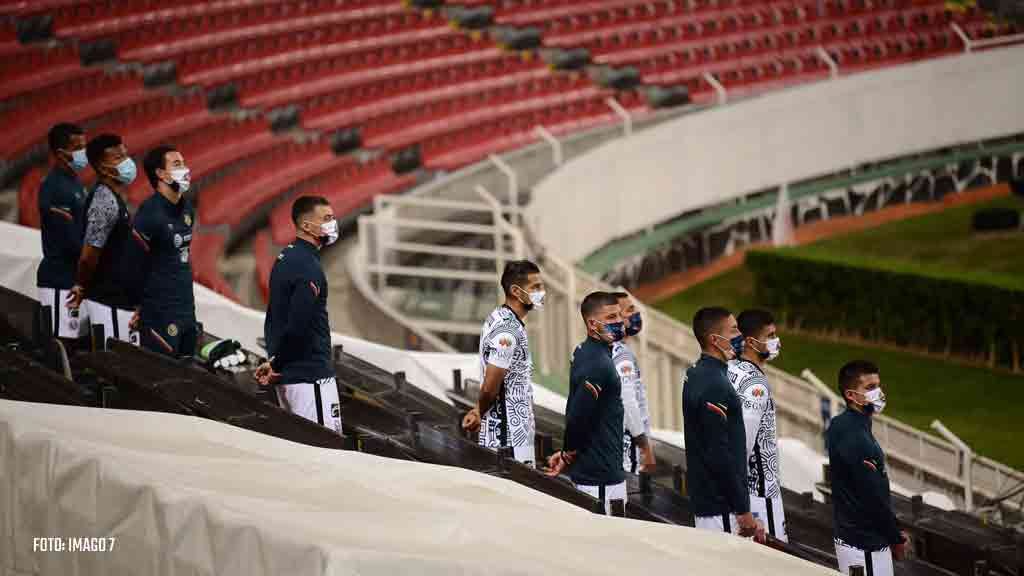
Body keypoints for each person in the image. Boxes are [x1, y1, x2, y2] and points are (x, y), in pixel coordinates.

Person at [255, 196, 341, 433]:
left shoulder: (286, 257)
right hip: (310, 377)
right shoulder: (307, 266)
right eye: (326, 218)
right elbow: (297, 326)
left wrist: (274, 363)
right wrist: (278, 365)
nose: (332, 223)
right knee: (328, 451)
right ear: (306, 226)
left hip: (291, 376)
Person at [683, 306, 763, 540]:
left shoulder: (697, 372)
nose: (740, 336)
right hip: (721, 507)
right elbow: (719, 451)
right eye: (734, 330)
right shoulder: (714, 384)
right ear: (714, 340)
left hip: (710, 500)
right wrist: (742, 509)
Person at [546, 291, 628, 516]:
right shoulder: (599, 363)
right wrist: (566, 454)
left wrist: (566, 453)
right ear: (593, 324)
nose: (619, 321)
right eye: (611, 317)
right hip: (600, 479)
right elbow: (578, 416)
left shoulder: (585, 351)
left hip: (593, 472)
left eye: (619, 315)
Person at [828, 360, 909, 576]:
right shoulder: (857, 437)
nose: (879, 393)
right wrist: (896, 537)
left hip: (852, 536)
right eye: (870, 388)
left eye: (878, 386)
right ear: (851, 395)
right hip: (865, 544)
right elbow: (873, 496)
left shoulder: (841, 424)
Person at [462, 260, 543, 465]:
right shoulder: (507, 330)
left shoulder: (500, 317)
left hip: (508, 434)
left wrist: (479, 409)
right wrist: (479, 410)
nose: (542, 292)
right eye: (536, 287)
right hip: (509, 439)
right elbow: (491, 384)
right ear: (516, 291)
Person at [67, 133, 141, 347]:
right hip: (108, 301)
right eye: (118, 158)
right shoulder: (104, 202)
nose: (127, 162)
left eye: (125, 155)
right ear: (102, 167)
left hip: (118, 299)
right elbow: (88, 256)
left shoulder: (114, 197)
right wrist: (81, 285)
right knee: (118, 363)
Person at [132, 145, 197, 358]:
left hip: (186, 308)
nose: (185, 169)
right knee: (162, 377)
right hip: (159, 312)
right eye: (177, 164)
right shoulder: (149, 214)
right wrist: (136, 306)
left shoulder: (187, 208)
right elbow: (134, 263)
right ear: (160, 174)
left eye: (184, 163)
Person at [729, 309, 787, 542]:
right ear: (751, 342)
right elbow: (742, 445)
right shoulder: (755, 384)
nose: (776, 341)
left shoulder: (731, 370)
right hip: (760, 495)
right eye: (771, 336)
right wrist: (744, 507)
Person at [37, 123, 90, 342]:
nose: (84, 153)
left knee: (77, 344)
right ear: (61, 153)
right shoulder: (55, 188)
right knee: (61, 345)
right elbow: (69, 241)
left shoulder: (75, 183)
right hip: (59, 281)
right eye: (78, 147)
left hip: (73, 279)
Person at [610, 291, 655, 475]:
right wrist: (644, 446)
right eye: (630, 309)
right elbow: (628, 403)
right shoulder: (621, 356)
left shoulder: (601, 350)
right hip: (626, 452)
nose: (636, 313)